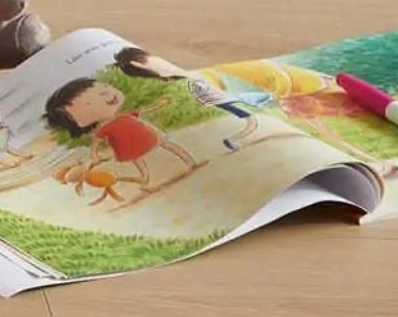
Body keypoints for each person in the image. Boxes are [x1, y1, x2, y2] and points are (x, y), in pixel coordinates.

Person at [44, 75, 197, 204]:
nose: (107, 94)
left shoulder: (124, 115)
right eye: (89, 102)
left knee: (166, 145)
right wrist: (95, 155)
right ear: (81, 121)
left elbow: (144, 110)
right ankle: (146, 182)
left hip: (146, 134)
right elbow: (96, 143)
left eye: (103, 88)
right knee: (140, 161)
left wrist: (159, 104)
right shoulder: (104, 128)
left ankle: (190, 162)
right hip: (128, 145)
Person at [113, 45, 267, 152]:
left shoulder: (173, 74)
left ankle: (236, 136)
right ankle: (234, 139)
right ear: (139, 64)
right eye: (151, 57)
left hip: (214, 95)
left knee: (252, 114)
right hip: (214, 95)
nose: (158, 58)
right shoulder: (168, 74)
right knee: (251, 117)